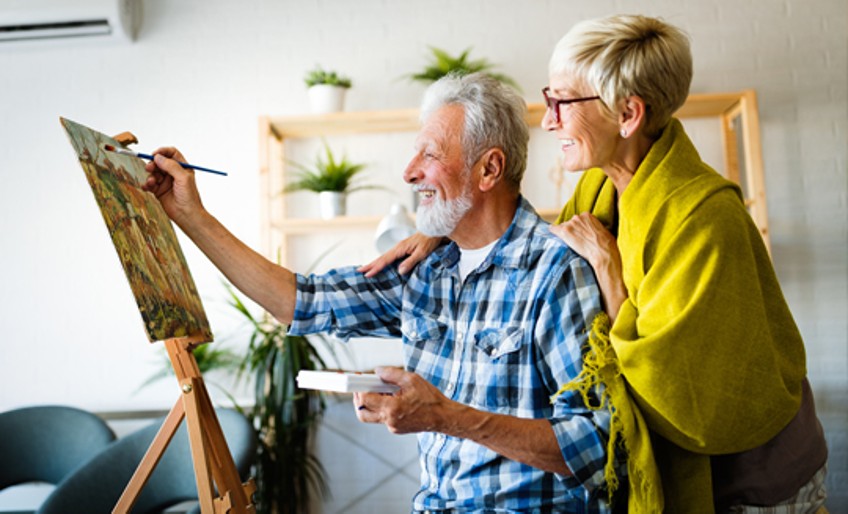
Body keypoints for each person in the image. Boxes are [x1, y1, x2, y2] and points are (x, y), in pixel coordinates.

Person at [362, 15, 829, 514]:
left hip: (751, 479)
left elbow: (681, 392)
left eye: (563, 101)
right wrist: (445, 226)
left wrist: (609, 270)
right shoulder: (599, 187)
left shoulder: (706, 217)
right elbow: (543, 245)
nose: (547, 119)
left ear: (627, 114)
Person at [142, 72, 625, 512]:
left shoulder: (554, 272)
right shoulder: (425, 267)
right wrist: (190, 216)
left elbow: (598, 445)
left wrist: (447, 417)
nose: (409, 172)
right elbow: (300, 301)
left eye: (430, 154)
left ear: (488, 170)